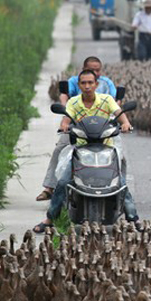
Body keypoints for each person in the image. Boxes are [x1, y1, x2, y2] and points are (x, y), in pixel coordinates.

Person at [33, 69, 137, 233]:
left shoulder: (107, 100)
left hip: (106, 147)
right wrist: (64, 126)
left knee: (120, 183)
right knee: (62, 182)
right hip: (81, 147)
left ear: (96, 84)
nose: (87, 86)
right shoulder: (73, 102)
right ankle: (49, 219)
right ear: (79, 85)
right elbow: (65, 120)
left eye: (90, 83)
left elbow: (120, 114)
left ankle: (133, 218)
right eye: (83, 83)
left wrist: (125, 124)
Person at [36, 56, 117, 201]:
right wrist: (65, 118)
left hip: (102, 128)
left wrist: (121, 121)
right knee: (60, 148)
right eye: (91, 69)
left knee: (119, 155)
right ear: (84, 70)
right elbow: (64, 96)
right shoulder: (74, 82)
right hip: (77, 127)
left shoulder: (107, 84)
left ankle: (119, 189)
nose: (88, 85)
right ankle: (50, 187)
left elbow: (116, 102)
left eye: (97, 70)